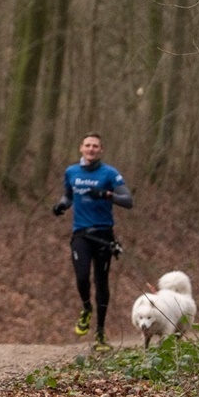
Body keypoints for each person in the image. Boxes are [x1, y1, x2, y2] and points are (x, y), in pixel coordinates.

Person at [51, 132, 133, 350]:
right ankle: (86, 308)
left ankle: (100, 334)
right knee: (81, 277)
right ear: (81, 148)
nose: (91, 149)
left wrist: (106, 195)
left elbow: (128, 201)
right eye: (87, 145)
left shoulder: (110, 173)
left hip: (104, 235)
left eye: (95, 146)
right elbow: (68, 196)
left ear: (101, 150)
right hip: (81, 234)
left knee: (102, 282)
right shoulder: (71, 172)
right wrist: (61, 205)